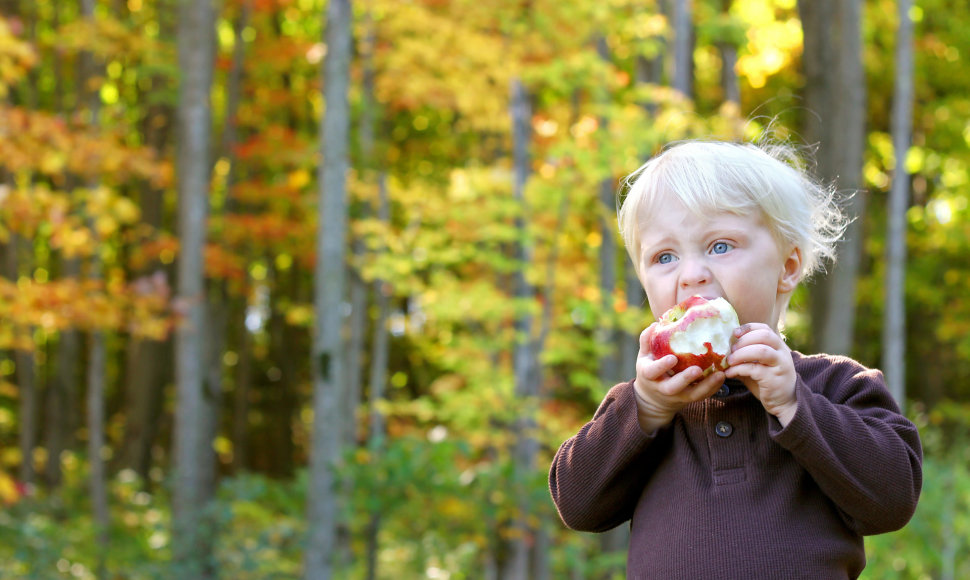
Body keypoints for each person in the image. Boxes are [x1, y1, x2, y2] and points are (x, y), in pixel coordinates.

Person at [548, 139, 923, 579]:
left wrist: (794, 406)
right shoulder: (648, 404)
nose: (691, 274)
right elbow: (576, 505)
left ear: (787, 267)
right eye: (664, 257)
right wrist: (646, 410)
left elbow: (893, 500)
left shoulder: (835, 386)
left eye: (720, 246)